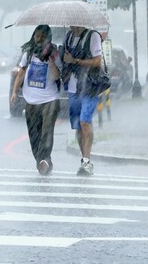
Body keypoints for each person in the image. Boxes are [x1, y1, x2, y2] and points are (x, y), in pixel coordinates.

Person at [10, 25, 61, 175]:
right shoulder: (29, 52)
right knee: (34, 134)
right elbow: (21, 72)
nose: (38, 39)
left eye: (41, 37)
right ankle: (43, 161)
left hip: (50, 99)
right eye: (36, 36)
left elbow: (58, 76)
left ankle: (44, 160)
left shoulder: (55, 53)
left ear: (47, 38)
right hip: (31, 99)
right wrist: (14, 91)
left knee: (46, 131)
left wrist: (51, 61)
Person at [62, 26, 103, 176]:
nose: (73, 24)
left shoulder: (93, 36)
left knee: (85, 121)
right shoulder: (69, 37)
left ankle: (87, 161)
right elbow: (66, 60)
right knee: (78, 126)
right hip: (73, 88)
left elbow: (98, 61)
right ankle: (84, 159)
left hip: (90, 86)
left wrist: (76, 61)